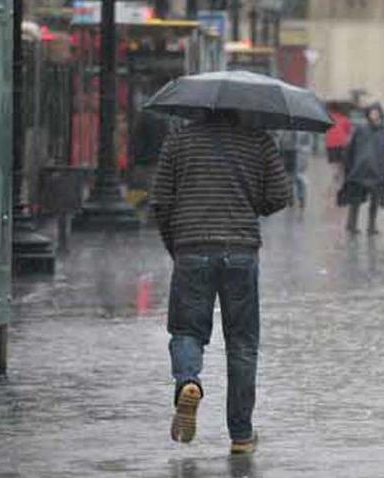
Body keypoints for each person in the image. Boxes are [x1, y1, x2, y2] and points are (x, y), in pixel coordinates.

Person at [150, 110, 291, 454]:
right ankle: (241, 436)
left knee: (186, 330)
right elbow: (280, 195)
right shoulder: (259, 141)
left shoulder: (179, 140)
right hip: (241, 250)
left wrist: (176, 244)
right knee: (242, 343)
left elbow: (160, 201)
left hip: (192, 247)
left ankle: (188, 381)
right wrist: (247, 200)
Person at [338, 103, 384, 235]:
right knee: (355, 199)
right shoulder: (361, 130)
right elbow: (351, 148)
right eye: (371, 112)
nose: (374, 115)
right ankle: (352, 225)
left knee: (375, 200)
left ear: (380, 113)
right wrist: (349, 164)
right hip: (360, 169)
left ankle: (371, 226)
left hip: (377, 170)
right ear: (368, 114)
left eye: (376, 112)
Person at [325, 106, 352, 194]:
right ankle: (340, 186)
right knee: (342, 167)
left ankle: (334, 185)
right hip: (342, 144)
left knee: (334, 167)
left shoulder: (327, 118)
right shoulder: (345, 119)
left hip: (331, 145)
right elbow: (349, 133)